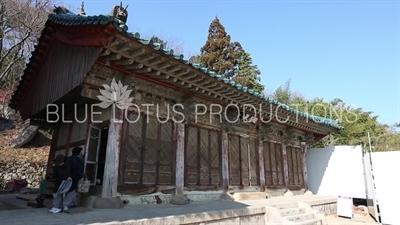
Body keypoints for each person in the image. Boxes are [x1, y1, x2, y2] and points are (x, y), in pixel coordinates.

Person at [64, 147, 85, 211]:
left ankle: (70, 203)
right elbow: (77, 169)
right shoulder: (76, 160)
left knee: (72, 190)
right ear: (79, 152)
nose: (81, 153)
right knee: (72, 191)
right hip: (74, 177)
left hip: (70, 176)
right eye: (81, 151)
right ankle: (66, 204)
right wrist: (82, 175)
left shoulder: (70, 158)